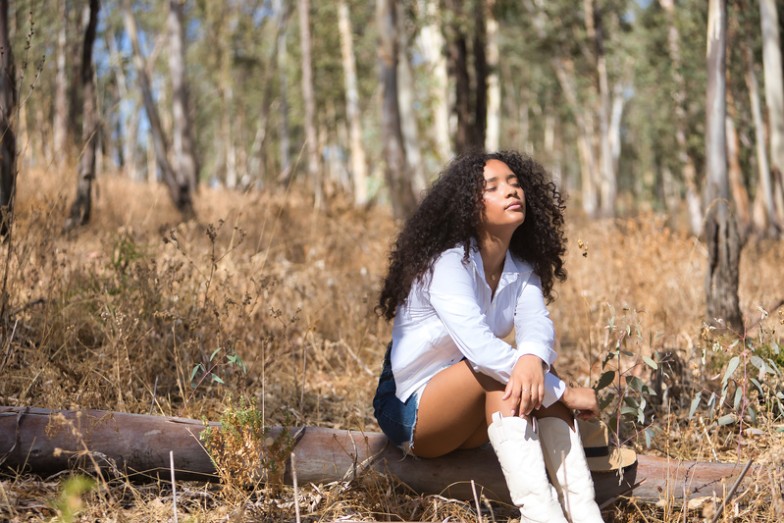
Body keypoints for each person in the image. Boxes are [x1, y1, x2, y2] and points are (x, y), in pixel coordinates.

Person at [373, 151, 605, 523]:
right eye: (493, 187)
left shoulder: (521, 268)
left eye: (514, 184)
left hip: (470, 418)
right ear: (469, 206)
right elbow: (481, 351)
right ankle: (542, 517)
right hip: (410, 409)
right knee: (505, 376)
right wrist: (564, 392)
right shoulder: (448, 264)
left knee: (530, 373)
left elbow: (537, 327)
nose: (511, 191)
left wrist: (534, 360)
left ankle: (584, 513)